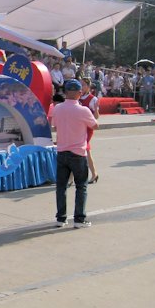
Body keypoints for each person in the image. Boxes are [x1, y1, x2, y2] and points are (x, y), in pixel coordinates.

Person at [48, 79, 98, 228]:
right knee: (81, 186)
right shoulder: (83, 110)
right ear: (77, 93)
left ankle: (61, 218)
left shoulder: (57, 108)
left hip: (62, 151)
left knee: (61, 187)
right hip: (78, 152)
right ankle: (79, 219)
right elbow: (95, 125)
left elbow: (55, 125)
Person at [78, 77, 101, 183]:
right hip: (78, 127)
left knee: (80, 150)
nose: (81, 87)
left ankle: (72, 177)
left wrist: (96, 109)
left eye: (83, 85)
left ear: (88, 86)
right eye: (80, 84)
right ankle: (94, 173)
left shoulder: (93, 99)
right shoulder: (78, 97)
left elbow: (96, 117)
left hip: (87, 128)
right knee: (85, 150)